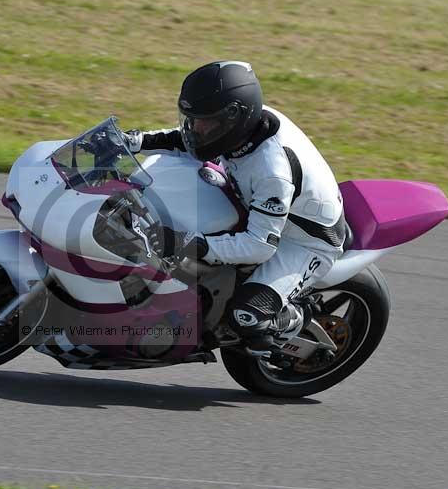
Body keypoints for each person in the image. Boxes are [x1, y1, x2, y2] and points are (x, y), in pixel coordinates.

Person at [124, 61, 347, 352]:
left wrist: (189, 245)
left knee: (247, 318)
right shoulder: (244, 129)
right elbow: (185, 140)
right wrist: (134, 140)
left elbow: (259, 246)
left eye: (206, 122)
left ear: (234, 118)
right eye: (192, 119)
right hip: (250, 199)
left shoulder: (272, 171)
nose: (196, 128)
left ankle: (294, 317)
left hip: (301, 242)